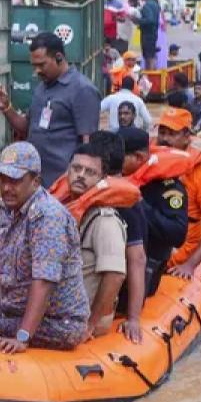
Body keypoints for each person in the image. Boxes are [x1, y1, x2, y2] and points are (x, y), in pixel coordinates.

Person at [0, 142, 90, 353]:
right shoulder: (11, 208)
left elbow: (44, 281)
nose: (6, 188)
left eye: (15, 181)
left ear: (35, 181)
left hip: (58, 322)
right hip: (14, 305)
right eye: (3, 179)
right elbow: (1, 260)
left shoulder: (47, 217)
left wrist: (23, 336)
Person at [50, 143, 139, 338]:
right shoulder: (61, 209)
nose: (80, 175)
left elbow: (115, 275)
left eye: (90, 172)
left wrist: (90, 324)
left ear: (101, 179)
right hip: (61, 307)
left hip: (83, 317)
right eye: (76, 169)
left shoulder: (105, 221)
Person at [0, 33, 101, 187]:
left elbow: (89, 143)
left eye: (41, 65)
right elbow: (26, 127)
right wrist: (6, 107)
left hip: (62, 185)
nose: (36, 71)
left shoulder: (82, 90)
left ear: (59, 57)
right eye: (34, 66)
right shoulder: (42, 87)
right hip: (36, 181)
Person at [86, 131, 146, 344]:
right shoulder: (88, 195)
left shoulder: (125, 202)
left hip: (112, 294)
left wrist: (133, 319)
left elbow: (137, 259)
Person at [154, 109, 201, 280]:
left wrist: (190, 265)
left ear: (187, 136)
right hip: (154, 252)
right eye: (162, 133)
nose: (164, 139)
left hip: (179, 260)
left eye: (172, 134)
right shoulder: (152, 167)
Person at [119, 127, 188, 292]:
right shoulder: (114, 178)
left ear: (138, 157)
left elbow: (177, 234)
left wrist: (138, 204)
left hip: (146, 266)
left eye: (118, 157)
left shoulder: (168, 188)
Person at [136, 0, 161, 70]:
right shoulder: (156, 4)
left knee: (148, 57)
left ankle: (150, 76)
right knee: (151, 56)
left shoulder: (147, 5)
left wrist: (138, 20)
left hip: (147, 34)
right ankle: (153, 74)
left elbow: (149, 20)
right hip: (153, 34)